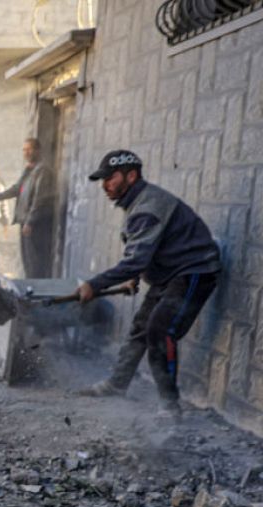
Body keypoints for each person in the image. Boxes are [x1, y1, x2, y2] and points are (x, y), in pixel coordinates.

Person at [76, 150, 221, 418]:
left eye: (110, 178)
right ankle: (117, 384)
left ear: (131, 176)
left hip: (194, 271)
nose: (105, 185)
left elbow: (136, 259)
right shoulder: (138, 202)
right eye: (102, 180)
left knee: (160, 332)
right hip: (170, 273)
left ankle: (169, 405)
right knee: (140, 328)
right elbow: (143, 250)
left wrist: (94, 284)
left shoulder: (147, 207)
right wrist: (134, 276)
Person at [0, 138, 56, 278]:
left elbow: (40, 199)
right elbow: (16, 189)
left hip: (36, 226)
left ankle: (36, 292)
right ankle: (30, 290)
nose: (26, 153)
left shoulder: (42, 171)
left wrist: (30, 221)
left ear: (38, 150)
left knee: (36, 263)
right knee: (27, 262)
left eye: (29, 149)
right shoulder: (29, 171)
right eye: (24, 150)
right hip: (25, 223)